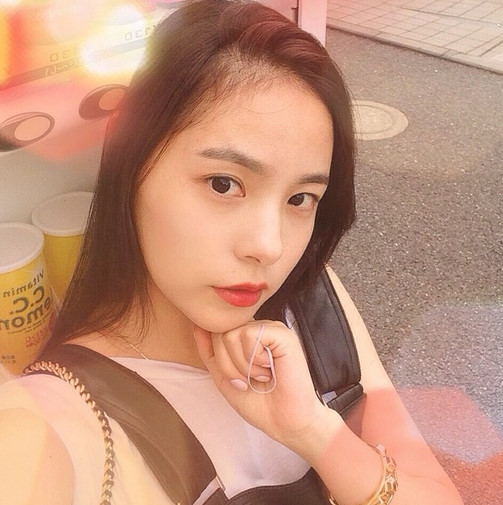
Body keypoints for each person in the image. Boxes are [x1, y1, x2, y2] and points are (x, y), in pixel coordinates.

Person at [0, 1, 463, 504]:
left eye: (300, 199)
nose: (269, 247)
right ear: (130, 157)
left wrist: (315, 432)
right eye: (224, 184)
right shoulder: (57, 421)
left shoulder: (312, 299)